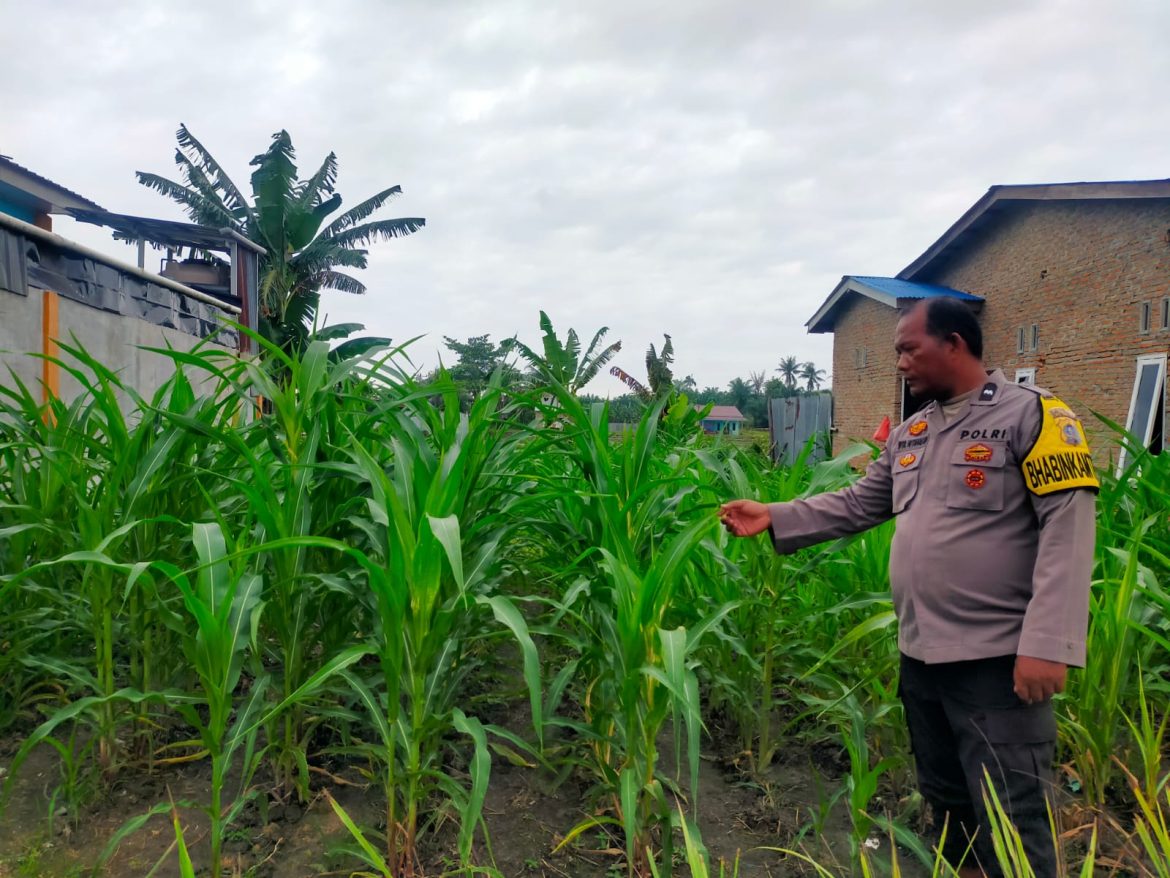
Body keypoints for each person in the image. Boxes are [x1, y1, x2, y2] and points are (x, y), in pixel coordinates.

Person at [720, 298, 1097, 878]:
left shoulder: (1033, 417)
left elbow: (1068, 526)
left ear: (955, 344)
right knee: (952, 817)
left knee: (1014, 825)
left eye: (907, 348)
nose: (899, 361)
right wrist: (776, 513)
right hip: (922, 659)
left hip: (996, 662)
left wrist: (1049, 642)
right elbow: (860, 502)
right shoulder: (913, 432)